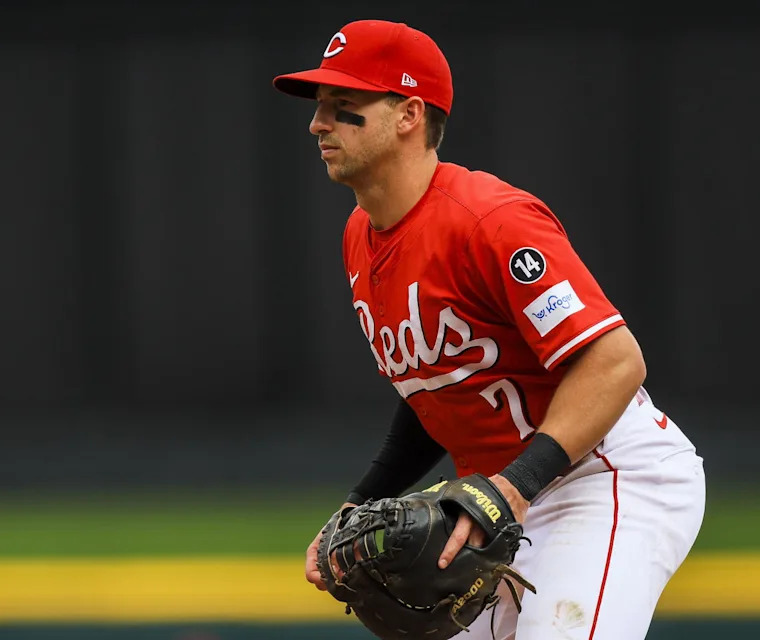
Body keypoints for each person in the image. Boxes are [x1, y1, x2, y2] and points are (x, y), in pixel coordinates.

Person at [272, 19, 706, 640]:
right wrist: (360, 501)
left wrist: (513, 488)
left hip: (605, 475)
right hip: (500, 501)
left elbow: (615, 363)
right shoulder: (359, 238)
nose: (318, 125)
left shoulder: (490, 221)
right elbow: (433, 392)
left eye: (345, 109)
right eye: (320, 110)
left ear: (408, 115)